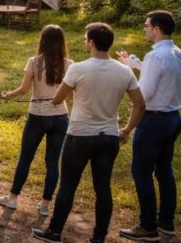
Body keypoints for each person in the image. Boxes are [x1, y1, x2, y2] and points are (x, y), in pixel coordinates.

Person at [33, 23, 145, 243]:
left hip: (80, 136)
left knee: (68, 185)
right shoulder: (124, 71)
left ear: (91, 42)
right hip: (110, 135)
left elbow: (57, 99)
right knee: (103, 187)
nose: (85, 42)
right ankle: (99, 238)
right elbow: (139, 104)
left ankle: (54, 232)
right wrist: (127, 130)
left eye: (86, 39)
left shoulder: (78, 68)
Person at [116, 11, 181, 241]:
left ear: (157, 28)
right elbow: (178, 83)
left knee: (141, 172)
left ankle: (147, 226)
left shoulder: (156, 57)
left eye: (146, 26)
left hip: (154, 121)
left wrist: (128, 73)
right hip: (173, 118)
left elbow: (144, 95)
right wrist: (135, 63)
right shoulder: (180, 55)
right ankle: (166, 222)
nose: (145, 29)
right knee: (165, 172)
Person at [0, 25, 73, 216]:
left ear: (43, 40)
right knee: (53, 162)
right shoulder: (69, 64)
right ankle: (45, 205)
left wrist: (8, 95)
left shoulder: (34, 62)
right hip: (61, 117)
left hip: (38, 116)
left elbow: (23, 89)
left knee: (26, 157)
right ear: (62, 42)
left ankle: (12, 199)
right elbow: (70, 94)